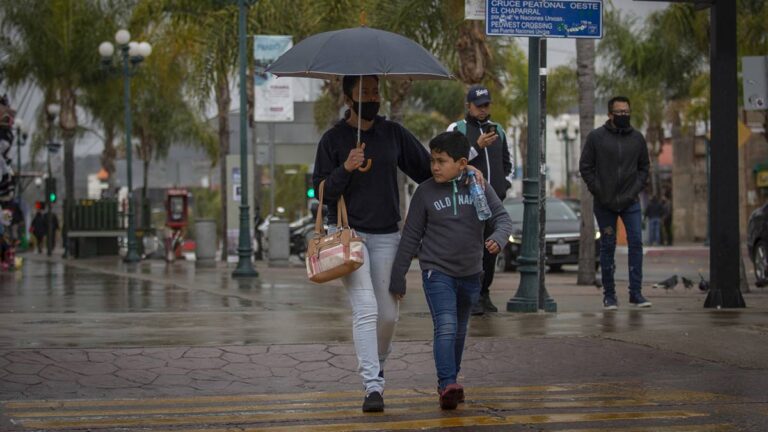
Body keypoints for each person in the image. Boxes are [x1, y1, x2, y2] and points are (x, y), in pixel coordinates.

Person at [312, 75, 433, 413]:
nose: (373, 96)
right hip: (350, 237)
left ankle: (377, 363)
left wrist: (467, 167)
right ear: (349, 97)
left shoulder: (393, 133)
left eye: (376, 91)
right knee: (365, 309)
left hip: (387, 237)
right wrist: (345, 168)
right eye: (365, 91)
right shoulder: (333, 139)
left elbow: (426, 170)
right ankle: (372, 386)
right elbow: (319, 192)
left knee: (390, 315)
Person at [389, 131, 512, 410]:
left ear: (460, 162)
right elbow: (410, 237)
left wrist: (498, 239)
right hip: (437, 272)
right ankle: (447, 384)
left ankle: (450, 383)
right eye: (432, 160)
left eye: (441, 161)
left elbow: (503, 219)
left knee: (459, 330)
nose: (434, 167)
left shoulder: (479, 186)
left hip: (471, 274)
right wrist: (399, 277)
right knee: (445, 325)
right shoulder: (425, 192)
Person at [579, 96, 652, 310]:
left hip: (630, 202)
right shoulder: (596, 138)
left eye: (626, 111)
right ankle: (609, 295)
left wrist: (633, 191)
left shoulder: (637, 139)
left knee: (636, 243)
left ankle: (636, 293)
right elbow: (586, 167)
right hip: (604, 202)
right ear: (610, 114)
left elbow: (644, 168)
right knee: (608, 246)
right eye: (619, 112)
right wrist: (599, 190)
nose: (623, 115)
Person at [447, 85, 513, 315]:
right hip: (467, 202)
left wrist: (504, 185)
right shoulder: (458, 128)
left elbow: (508, 163)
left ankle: (484, 294)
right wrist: (477, 147)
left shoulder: (499, 131)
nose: (484, 110)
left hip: (493, 203)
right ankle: (470, 296)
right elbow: (452, 162)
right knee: (472, 250)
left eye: (487, 105)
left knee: (490, 250)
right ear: (469, 106)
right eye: (479, 105)